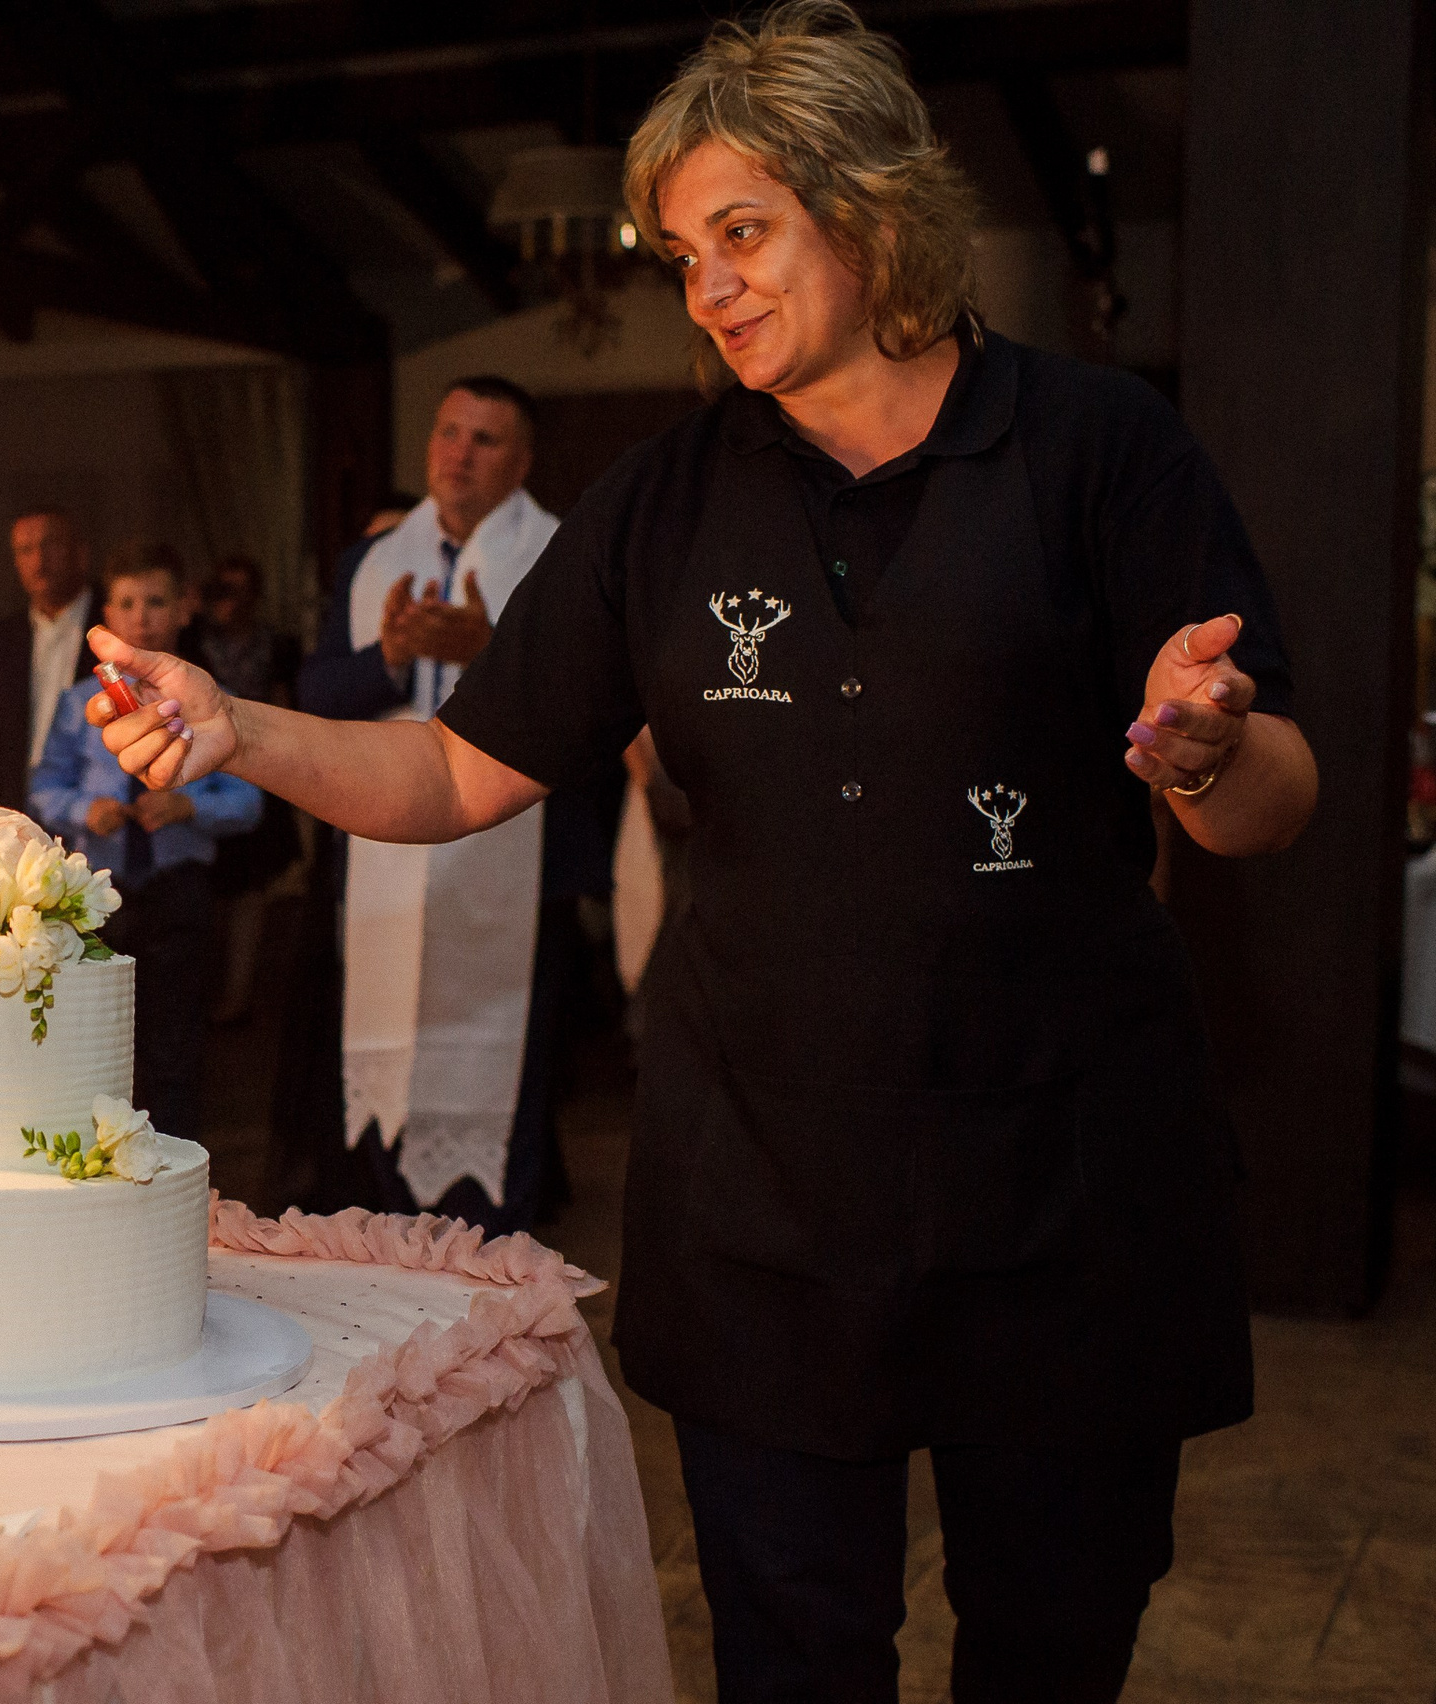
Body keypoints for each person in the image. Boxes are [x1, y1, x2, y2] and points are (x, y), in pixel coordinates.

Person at [84, 6, 1319, 1697]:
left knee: (1054, 1645)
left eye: (743, 232)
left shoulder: (1098, 449)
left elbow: (1276, 796)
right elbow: (456, 766)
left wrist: (1211, 748)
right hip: (769, 1212)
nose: (708, 284)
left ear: (871, 210)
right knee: (792, 1653)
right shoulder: (663, 504)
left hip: (1066, 1203)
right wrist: (243, 725)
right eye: (682, 252)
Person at [286, 374, 622, 1235]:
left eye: (484, 439)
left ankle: (491, 1268)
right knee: (379, 1081)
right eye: (447, 433)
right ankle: (391, 1259)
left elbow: (601, 715)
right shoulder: (373, 560)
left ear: (524, 459)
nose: (458, 455)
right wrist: (387, 658)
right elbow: (316, 695)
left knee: (507, 1080)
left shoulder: (566, 554)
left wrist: (494, 654)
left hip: (522, 868)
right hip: (387, 870)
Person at [32, 543, 261, 1141]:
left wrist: (189, 805)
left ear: (185, 609)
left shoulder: (210, 701)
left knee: (176, 1040)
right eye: (127, 604)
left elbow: (249, 802)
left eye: (156, 602)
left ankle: (176, 1167)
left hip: (177, 887)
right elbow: (44, 787)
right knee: (97, 1039)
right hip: (99, 893)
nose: (142, 618)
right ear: (107, 612)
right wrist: (87, 810)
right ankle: (99, 1161)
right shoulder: (80, 702)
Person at [186, 556, 302, 1025]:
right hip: (202, 771)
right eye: (221, 590)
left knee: (251, 892)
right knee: (207, 888)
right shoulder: (192, 640)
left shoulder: (276, 644)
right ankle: (207, 990)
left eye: (240, 591)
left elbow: (288, 706)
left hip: (261, 766)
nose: (229, 603)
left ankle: (239, 993)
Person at [0, 506, 94, 812]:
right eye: (25, 550)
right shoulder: (2, 640)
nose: (39, 561)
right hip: (19, 809)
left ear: (79, 552)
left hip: (95, 811)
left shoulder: (115, 624)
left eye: (51, 546)